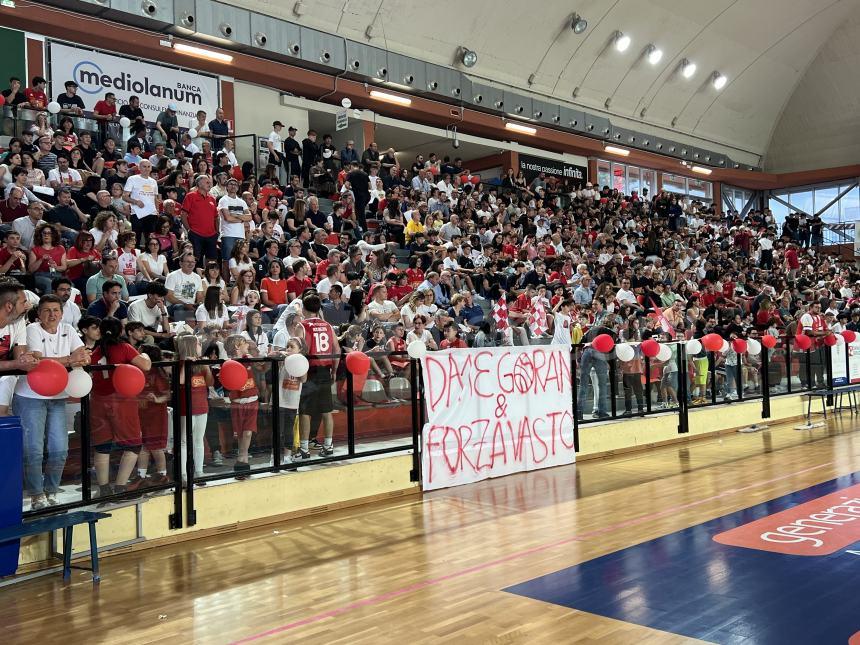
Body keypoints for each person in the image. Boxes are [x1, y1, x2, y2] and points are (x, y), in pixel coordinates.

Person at [13, 294, 89, 510]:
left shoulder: (68, 329)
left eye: (56, 310)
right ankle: (37, 495)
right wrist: (70, 359)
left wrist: (81, 357)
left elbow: (82, 353)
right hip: (30, 396)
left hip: (58, 395)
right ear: (39, 314)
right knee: (33, 449)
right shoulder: (32, 329)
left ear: (62, 313)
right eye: (46, 310)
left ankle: (52, 491)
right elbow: (38, 360)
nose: (52, 314)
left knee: (59, 448)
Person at [90, 316, 152, 496]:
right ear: (121, 331)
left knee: (102, 445)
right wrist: (146, 353)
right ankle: (120, 487)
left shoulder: (95, 351)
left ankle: (103, 489)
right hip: (121, 401)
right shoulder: (124, 347)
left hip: (98, 401)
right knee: (133, 444)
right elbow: (146, 365)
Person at [296, 294, 339, 459]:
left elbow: (301, 350)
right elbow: (336, 349)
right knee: (327, 410)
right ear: (319, 308)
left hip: (309, 371)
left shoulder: (302, 326)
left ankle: (304, 449)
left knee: (305, 411)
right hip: (325, 370)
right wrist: (334, 371)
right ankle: (328, 446)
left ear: (304, 308)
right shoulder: (327, 325)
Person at [176, 334, 213, 483]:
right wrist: (185, 364)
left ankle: (199, 471)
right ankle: (183, 474)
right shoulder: (180, 363)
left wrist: (207, 367)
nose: (200, 347)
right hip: (186, 408)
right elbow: (180, 381)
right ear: (191, 346)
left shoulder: (201, 364)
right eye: (198, 344)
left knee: (198, 439)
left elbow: (210, 382)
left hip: (202, 406)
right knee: (184, 441)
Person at [223, 334, 260, 478]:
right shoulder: (229, 363)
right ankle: (243, 461)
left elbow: (261, 367)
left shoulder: (248, 359)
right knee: (240, 433)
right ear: (237, 346)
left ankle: (241, 458)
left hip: (252, 400)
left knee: (248, 432)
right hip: (238, 403)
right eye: (244, 343)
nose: (247, 346)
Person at [181, 175, 219, 267]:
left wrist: (216, 232)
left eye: (210, 182)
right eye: (207, 182)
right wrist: (189, 230)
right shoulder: (190, 196)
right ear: (199, 183)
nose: (210, 184)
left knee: (212, 259)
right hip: (195, 233)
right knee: (195, 258)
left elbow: (216, 217)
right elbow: (183, 215)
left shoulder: (212, 199)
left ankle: (208, 278)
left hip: (211, 234)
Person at [123, 158, 160, 239]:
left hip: (152, 213)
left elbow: (155, 198)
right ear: (139, 167)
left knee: (151, 239)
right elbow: (124, 196)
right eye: (144, 166)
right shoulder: (132, 179)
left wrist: (157, 210)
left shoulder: (153, 181)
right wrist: (136, 202)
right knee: (136, 238)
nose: (146, 169)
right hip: (137, 213)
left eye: (148, 166)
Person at [165, 253, 204, 321]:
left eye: (192, 262)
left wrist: (198, 304)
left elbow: (200, 296)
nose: (191, 264)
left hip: (191, 305)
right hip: (175, 306)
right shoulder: (172, 276)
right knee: (180, 307)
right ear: (180, 263)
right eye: (188, 262)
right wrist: (185, 304)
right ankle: (183, 329)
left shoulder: (197, 277)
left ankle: (203, 329)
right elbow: (168, 296)